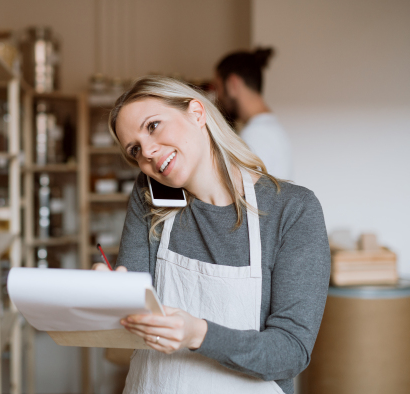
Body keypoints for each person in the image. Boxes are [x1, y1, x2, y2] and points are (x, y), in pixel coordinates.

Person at [92, 76, 330, 394]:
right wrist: (113, 294)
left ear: (197, 113)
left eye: (153, 126)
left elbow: (290, 352)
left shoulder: (293, 209)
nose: (146, 152)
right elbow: (137, 317)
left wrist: (197, 335)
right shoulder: (148, 197)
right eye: (134, 149)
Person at [214, 47, 293, 179]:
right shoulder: (269, 127)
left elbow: (246, 194)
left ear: (232, 83)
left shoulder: (256, 135)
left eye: (218, 87)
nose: (218, 96)